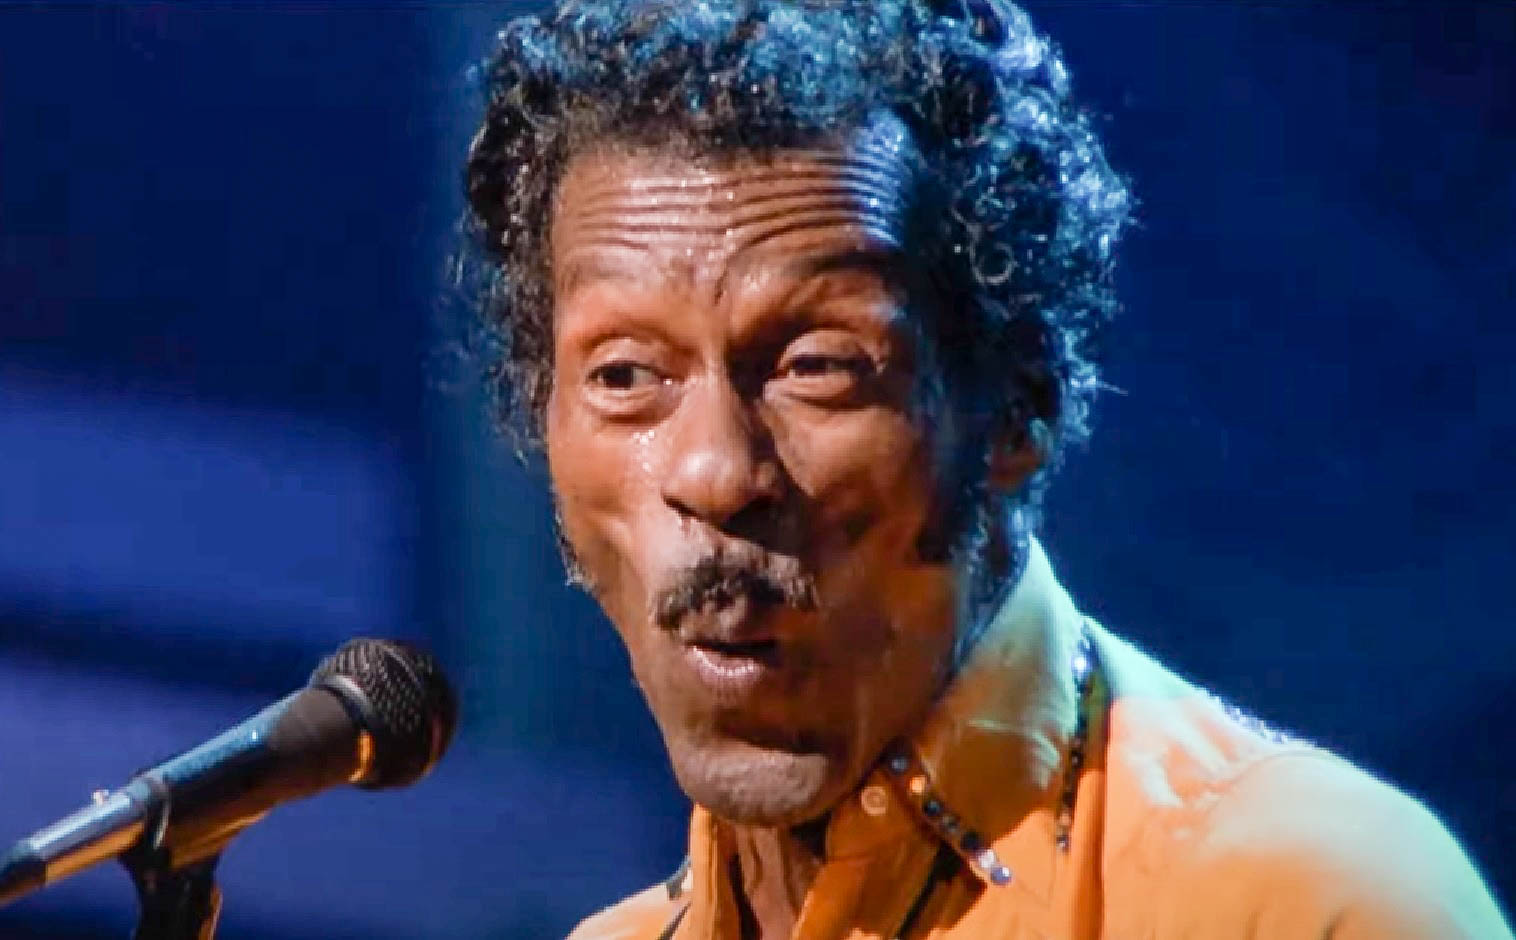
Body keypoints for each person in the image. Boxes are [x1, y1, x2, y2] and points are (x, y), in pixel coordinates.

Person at [462, 1, 1512, 937]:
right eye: (625, 375)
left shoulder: (1306, 903)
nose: (713, 471)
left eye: (817, 366)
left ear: (1017, 406)